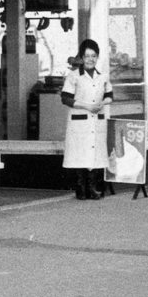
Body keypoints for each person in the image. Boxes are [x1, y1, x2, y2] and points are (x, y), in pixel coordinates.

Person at [61, 38, 112, 200]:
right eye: (87, 55)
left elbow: (110, 95)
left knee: (95, 154)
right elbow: (65, 98)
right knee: (80, 153)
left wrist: (101, 103)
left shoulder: (102, 76)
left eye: (94, 56)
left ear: (97, 57)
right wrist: (87, 106)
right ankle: (81, 189)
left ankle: (92, 188)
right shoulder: (74, 76)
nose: (90, 59)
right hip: (80, 120)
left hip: (97, 119)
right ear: (82, 58)